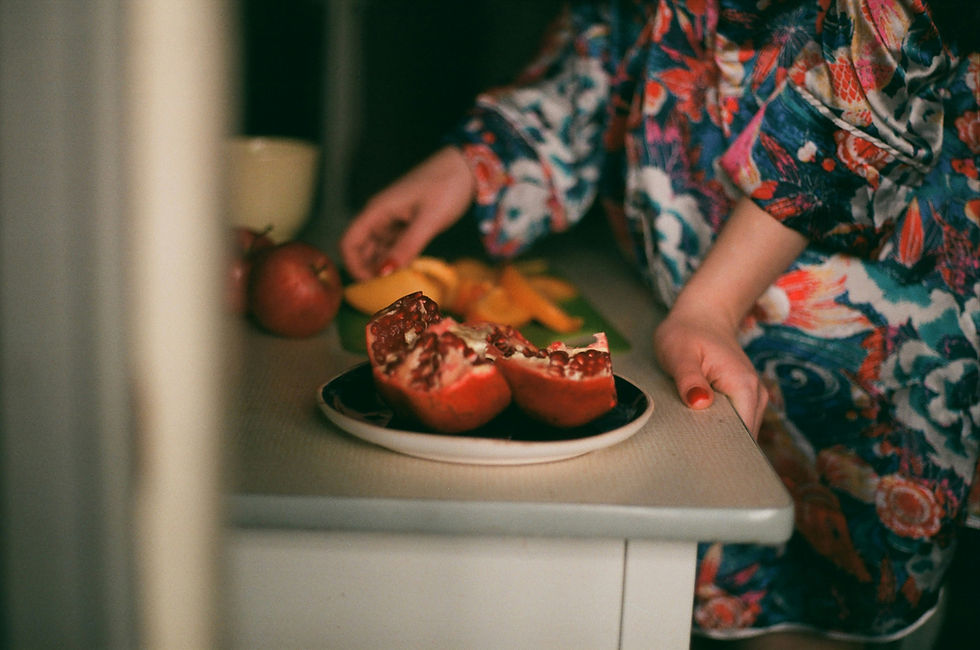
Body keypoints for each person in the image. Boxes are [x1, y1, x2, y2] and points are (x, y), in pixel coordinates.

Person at [340, 1, 980, 646]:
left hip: (868, 360)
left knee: (827, 616)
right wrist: (466, 168)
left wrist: (712, 306)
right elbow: (595, 48)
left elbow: (873, 100)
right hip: (691, 333)